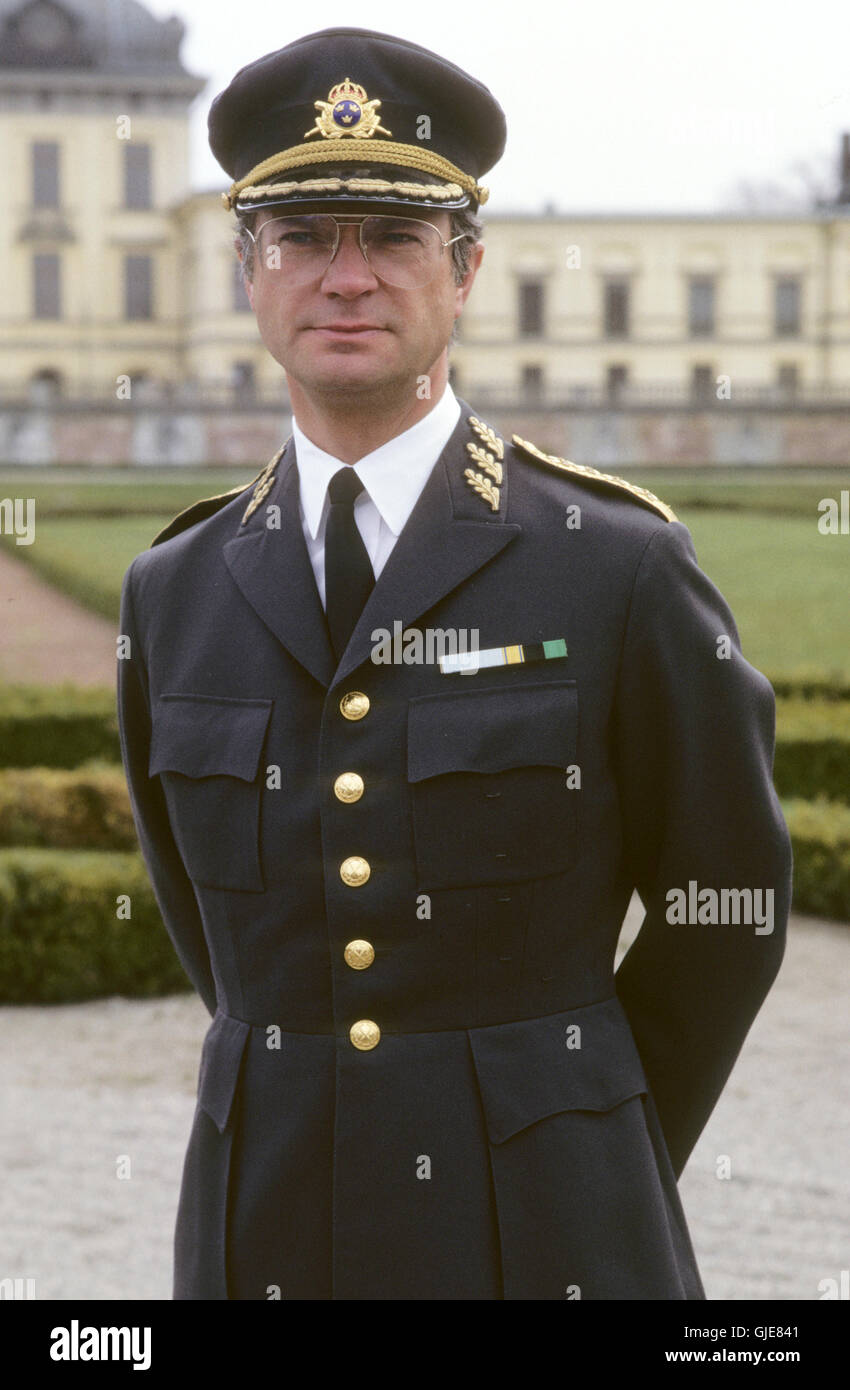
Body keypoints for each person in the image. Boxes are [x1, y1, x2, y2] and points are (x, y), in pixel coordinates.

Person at [117, 25, 793, 1300]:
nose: (346, 276)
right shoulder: (174, 590)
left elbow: (730, 901)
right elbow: (219, 936)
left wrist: (587, 1125)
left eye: (392, 234)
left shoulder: (614, 565)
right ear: (248, 272)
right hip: (264, 1229)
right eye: (304, 236)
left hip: (553, 1236)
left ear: (467, 266)